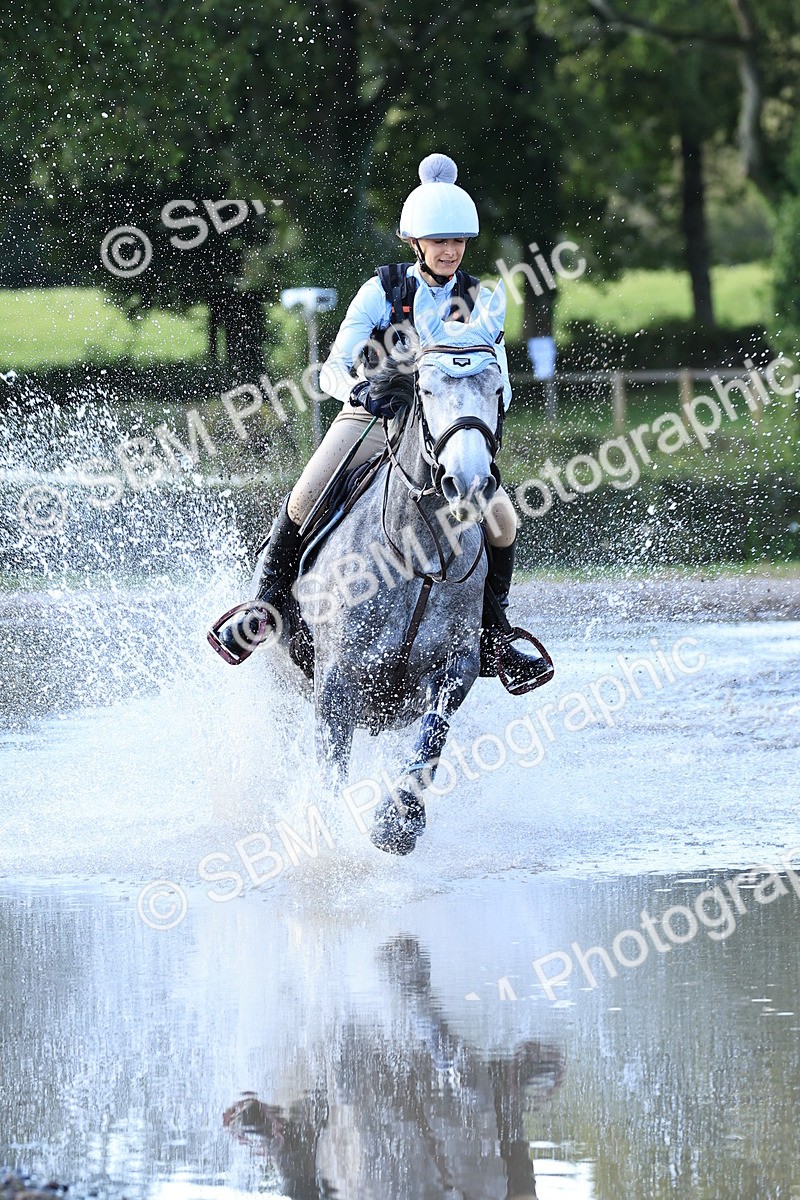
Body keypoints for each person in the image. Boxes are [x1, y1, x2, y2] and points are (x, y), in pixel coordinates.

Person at [208, 153, 536, 682]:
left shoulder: (480, 300)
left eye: (458, 241)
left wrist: (478, 417)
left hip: (449, 429)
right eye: (439, 241)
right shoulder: (383, 290)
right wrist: (364, 390)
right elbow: (331, 370)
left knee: (502, 521)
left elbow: (497, 376)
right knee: (305, 495)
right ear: (416, 243)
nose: (450, 250)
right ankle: (262, 608)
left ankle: (494, 633)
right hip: (372, 418)